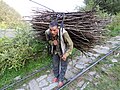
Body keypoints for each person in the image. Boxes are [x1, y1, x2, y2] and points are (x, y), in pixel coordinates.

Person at [45, 20, 73, 87]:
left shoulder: (64, 33)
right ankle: (56, 76)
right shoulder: (47, 32)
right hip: (55, 51)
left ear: (58, 28)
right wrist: (52, 42)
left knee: (63, 66)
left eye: (54, 30)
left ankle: (61, 79)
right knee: (55, 64)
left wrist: (66, 54)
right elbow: (48, 40)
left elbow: (71, 45)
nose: (52, 32)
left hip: (64, 51)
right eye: (51, 30)